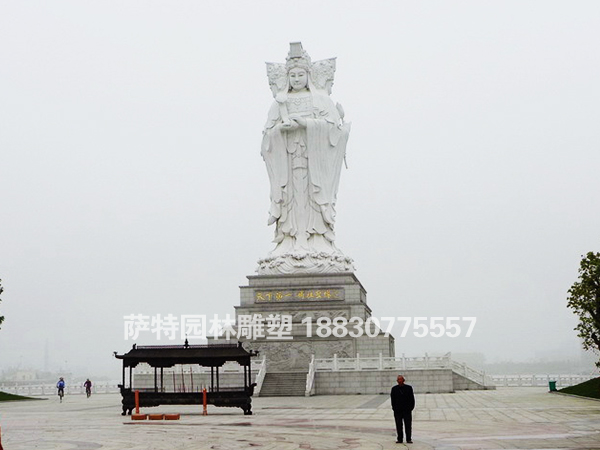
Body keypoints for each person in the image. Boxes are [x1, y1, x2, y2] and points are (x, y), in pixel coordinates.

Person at [260, 43, 351, 272]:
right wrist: (280, 131)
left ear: (308, 75)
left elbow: (333, 131)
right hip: (288, 166)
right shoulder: (279, 103)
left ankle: (316, 240)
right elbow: (267, 138)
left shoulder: (320, 100)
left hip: (315, 165)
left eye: (301, 74)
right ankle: (290, 242)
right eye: (293, 75)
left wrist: (308, 125)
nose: (297, 79)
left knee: (314, 201)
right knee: (290, 203)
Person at [391, 375, 415, 444]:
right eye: (398, 380)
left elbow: (412, 399)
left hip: (407, 410)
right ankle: (400, 439)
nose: (399, 381)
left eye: (401, 379)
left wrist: (411, 408)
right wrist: (394, 408)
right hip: (398, 411)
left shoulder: (409, 388)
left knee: (408, 425)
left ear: (403, 380)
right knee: (398, 425)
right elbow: (393, 400)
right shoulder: (394, 389)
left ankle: (408, 439)